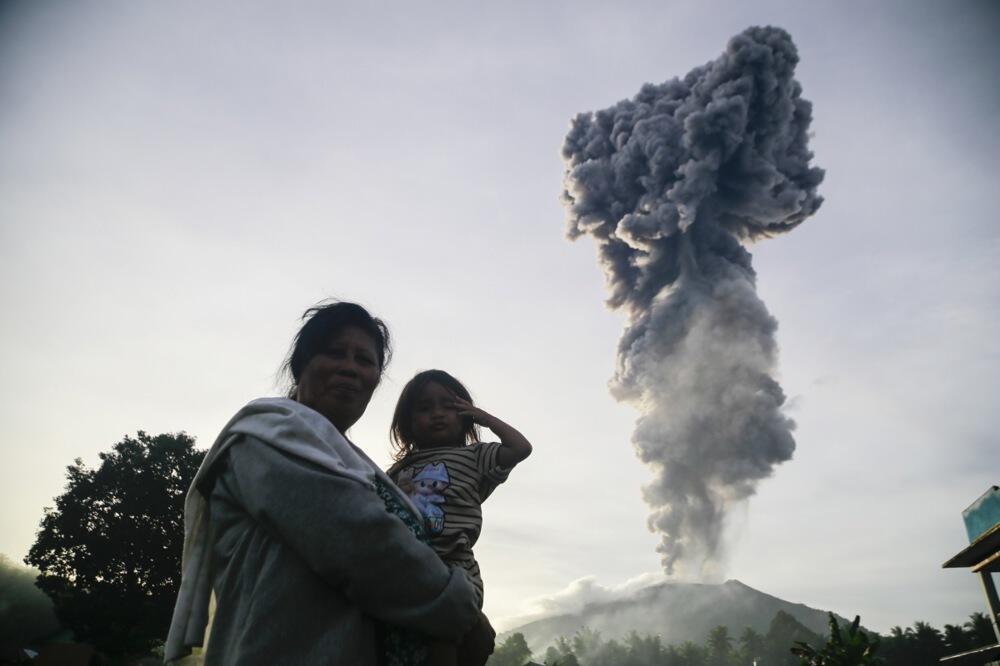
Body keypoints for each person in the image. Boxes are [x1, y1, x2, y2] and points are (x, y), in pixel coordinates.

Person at [165, 302, 490, 665]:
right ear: (301, 364)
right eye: (336, 353)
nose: (350, 368)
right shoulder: (266, 435)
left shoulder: (361, 465)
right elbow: (361, 541)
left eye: (365, 361)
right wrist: (461, 612)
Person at [387, 370, 533, 666]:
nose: (437, 414)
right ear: (408, 423)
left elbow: (520, 448)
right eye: (425, 408)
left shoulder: (475, 457)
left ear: (464, 415)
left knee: (444, 634)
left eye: (448, 406)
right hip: (408, 568)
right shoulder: (397, 470)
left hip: (455, 569)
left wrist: (484, 417)